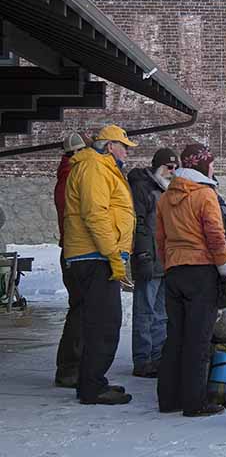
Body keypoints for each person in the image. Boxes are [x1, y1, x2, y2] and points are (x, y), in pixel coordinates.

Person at [155, 143, 226, 417]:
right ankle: (194, 401)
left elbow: (160, 239)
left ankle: (168, 398)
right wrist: (225, 270)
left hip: (175, 271)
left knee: (175, 336)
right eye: (210, 163)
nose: (212, 167)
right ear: (201, 165)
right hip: (201, 271)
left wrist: (169, 265)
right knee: (198, 339)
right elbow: (215, 235)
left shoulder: (166, 196)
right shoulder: (205, 195)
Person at [62, 124, 137, 405]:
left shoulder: (100, 167)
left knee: (99, 322)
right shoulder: (94, 167)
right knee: (105, 324)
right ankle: (92, 387)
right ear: (109, 146)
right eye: (124, 147)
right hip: (95, 257)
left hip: (96, 255)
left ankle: (92, 381)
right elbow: (96, 214)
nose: (127, 153)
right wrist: (113, 255)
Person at [127, 147, 179, 378]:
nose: (173, 171)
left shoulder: (167, 189)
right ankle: (142, 359)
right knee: (144, 311)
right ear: (159, 166)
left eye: (176, 167)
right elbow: (138, 225)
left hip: (165, 260)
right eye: (169, 167)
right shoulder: (143, 188)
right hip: (150, 258)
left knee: (161, 312)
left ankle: (157, 356)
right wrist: (143, 256)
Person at [53, 132, 90, 388]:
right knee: (80, 310)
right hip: (77, 252)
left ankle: (73, 366)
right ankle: (69, 368)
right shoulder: (72, 179)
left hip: (72, 250)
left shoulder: (67, 177)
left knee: (81, 309)